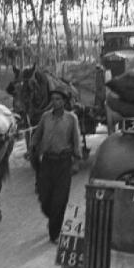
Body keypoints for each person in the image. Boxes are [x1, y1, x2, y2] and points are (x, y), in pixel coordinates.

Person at [30, 87, 81, 244]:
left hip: (64, 162)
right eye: (53, 99)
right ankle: (53, 217)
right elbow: (37, 135)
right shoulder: (45, 117)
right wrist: (31, 148)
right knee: (45, 198)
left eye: (58, 99)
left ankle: (55, 232)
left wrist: (77, 161)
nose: (55, 102)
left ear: (64, 102)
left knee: (59, 200)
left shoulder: (71, 119)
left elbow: (76, 141)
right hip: (47, 162)